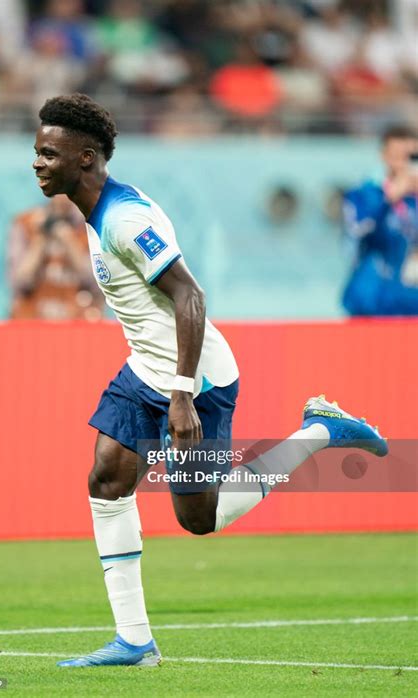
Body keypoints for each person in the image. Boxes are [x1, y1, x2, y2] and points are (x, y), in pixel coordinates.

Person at [32, 93, 388, 667]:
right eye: (37, 151)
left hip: (197, 380)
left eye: (49, 153)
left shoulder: (125, 218)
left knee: (200, 518)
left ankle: (319, 431)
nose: (38, 163)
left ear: (86, 158)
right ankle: (135, 641)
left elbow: (190, 295)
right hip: (143, 370)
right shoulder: (95, 210)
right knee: (106, 479)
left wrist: (181, 396)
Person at [342, 124, 418, 315]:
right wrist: (389, 196)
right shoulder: (367, 192)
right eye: (397, 156)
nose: (405, 164)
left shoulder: (413, 201)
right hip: (371, 297)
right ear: (385, 156)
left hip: (408, 298)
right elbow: (356, 229)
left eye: (411, 158)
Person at [8, 195, 103, 320]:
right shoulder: (26, 223)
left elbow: (99, 286)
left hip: (78, 324)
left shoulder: (92, 228)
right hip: (31, 322)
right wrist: (39, 241)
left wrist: (70, 242)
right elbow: (19, 283)